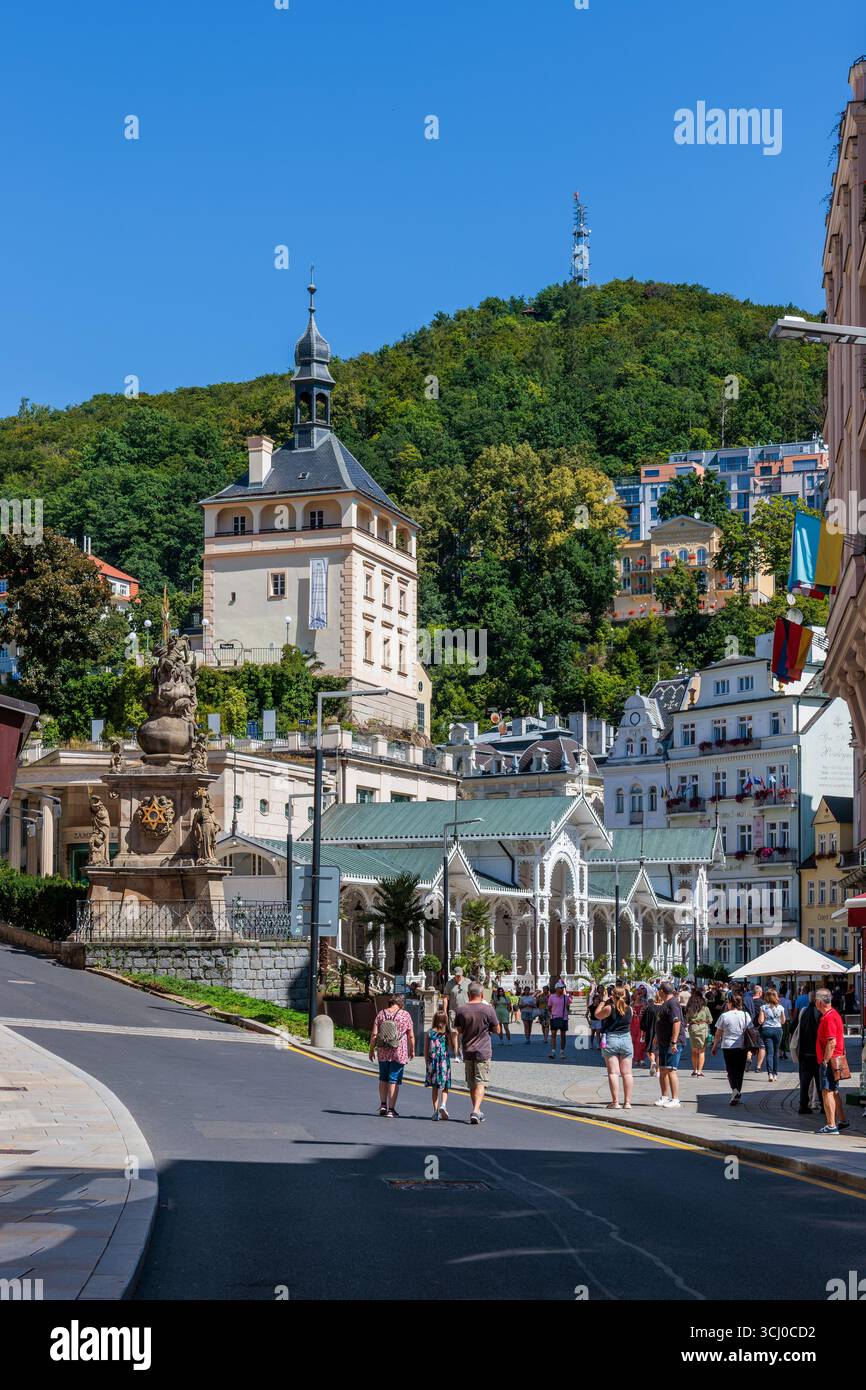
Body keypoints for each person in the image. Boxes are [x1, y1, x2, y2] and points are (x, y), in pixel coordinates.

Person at [454, 981, 501, 1124]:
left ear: (468, 994)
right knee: (481, 1082)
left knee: (471, 1083)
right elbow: (497, 1029)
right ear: (482, 994)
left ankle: (477, 1110)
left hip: (468, 1050)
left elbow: (459, 1030)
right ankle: (475, 1110)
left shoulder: (461, 1010)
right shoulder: (488, 1009)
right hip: (483, 1050)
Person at [369, 993, 415, 1118]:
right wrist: (412, 1050)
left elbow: (374, 1035)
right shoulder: (405, 1015)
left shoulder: (381, 1014)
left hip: (383, 1051)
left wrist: (371, 1050)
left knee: (383, 1078)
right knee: (393, 1080)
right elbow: (411, 1035)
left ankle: (383, 1105)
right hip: (399, 1052)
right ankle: (391, 1110)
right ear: (401, 1003)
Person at [593, 985, 634, 1108]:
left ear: (612, 996)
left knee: (613, 1073)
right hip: (626, 1039)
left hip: (612, 1039)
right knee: (627, 1074)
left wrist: (603, 1001)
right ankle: (627, 1103)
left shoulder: (609, 1008)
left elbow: (597, 1015)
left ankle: (615, 1102)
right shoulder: (630, 1009)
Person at [815, 987, 848, 1135]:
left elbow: (832, 1041)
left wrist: (825, 1060)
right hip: (836, 1058)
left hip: (831, 1059)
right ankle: (842, 1120)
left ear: (819, 1002)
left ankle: (831, 1125)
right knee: (834, 1090)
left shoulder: (828, 1017)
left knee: (826, 1091)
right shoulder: (834, 1014)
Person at [711, 992, 750, 1106]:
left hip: (728, 1046)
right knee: (740, 1071)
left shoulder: (724, 1016)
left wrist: (714, 1046)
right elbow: (750, 1029)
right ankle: (737, 1092)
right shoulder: (745, 1015)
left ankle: (735, 1091)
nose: (727, 1004)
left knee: (731, 1070)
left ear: (731, 1003)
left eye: (728, 1002)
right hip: (742, 1045)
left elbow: (718, 1033)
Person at [654, 982, 684, 1108]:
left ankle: (675, 1099)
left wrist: (674, 1041)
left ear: (662, 991)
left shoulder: (673, 1003)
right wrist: (656, 1037)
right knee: (663, 1069)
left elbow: (676, 1022)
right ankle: (664, 1096)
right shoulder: (665, 1004)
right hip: (663, 1042)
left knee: (671, 1069)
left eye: (659, 990)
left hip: (672, 1043)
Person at [795, 990, 822, 1115]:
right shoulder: (819, 1013)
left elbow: (795, 1026)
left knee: (804, 1082)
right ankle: (823, 1105)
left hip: (804, 1052)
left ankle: (803, 1105)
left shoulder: (804, 1011)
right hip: (816, 1053)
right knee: (820, 1081)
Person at [424, 1009, 452, 1120]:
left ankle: (435, 1112)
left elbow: (426, 1050)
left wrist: (427, 1062)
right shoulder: (446, 1033)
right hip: (444, 1062)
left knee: (434, 1087)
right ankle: (443, 1105)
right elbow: (451, 1047)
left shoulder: (429, 1033)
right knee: (445, 1085)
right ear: (445, 1021)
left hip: (432, 1062)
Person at [759, 987, 785, 1081]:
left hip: (767, 1030)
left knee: (769, 1053)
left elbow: (761, 1021)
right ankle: (775, 1074)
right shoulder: (781, 1007)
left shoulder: (763, 1007)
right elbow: (783, 1021)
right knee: (776, 1052)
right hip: (777, 1030)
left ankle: (770, 1074)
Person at [685, 988, 712, 1076]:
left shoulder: (689, 1009)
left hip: (693, 1028)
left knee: (694, 1051)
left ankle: (695, 1070)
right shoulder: (705, 1008)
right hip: (703, 1028)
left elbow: (687, 1020)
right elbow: (710, 1020)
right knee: (701, 1051)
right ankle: (700, 1071)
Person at [444, 966, 470, 1058]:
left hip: (466, 1012)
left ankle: (461, 1050)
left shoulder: (468, 982)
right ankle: (456, 1054)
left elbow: (472, 996)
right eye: (456, 975)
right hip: (453, 1011)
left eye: (459, 975)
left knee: (463, 1033)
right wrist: (444, 1011)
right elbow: (445, 998)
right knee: (454, 1032)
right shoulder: (449, 983)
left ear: (462, 974)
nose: (458, 977)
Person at [547, 980, 571, 1059]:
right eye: (560, 988)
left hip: (564, 1018)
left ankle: (562, 1051)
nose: (562, 989)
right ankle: (553, 1051)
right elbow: (549, 1007)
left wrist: (566, 1014)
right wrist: (551, 1015)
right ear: (556, 988)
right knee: (553, 1035)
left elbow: (568, 1007)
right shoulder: (551, 997)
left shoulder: (566, 997)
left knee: (563, 1036)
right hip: (554, 1017)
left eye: (562, 988)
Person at [641, 988, 661, 1076]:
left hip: (651, 1031)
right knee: (659, 1053)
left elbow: (643, 1022)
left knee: (650, 1050)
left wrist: (643, 1031)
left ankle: (652, 1061)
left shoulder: (649, 1008)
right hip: (662, 1033)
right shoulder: (664, 1008)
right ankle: (658, 1071)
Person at [630, 985, 647, 1066]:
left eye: (640, 994)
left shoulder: (644, 1003)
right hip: (633, 1025)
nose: (639, 995)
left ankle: (641, 1059)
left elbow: (647, 1014)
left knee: (641, 1042)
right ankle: (636, 1058)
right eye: (637, 994)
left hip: (642, 1025)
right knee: (633, 1042)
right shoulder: (631, 1004)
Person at [750, 985, 766, 1073]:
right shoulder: (763, 1003)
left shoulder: (748, 1002)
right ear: (760, 993)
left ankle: (748, 1058)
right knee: (762, 1047)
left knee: (749, 1045)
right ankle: (758, 1066)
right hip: (760, 1027)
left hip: (749, 1027)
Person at [587, 984, 605, 1049]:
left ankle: (598, 1045)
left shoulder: (600, 1006)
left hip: (598, 1021)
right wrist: (589, 1021)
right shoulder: (590, 1007)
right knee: (592, 1033)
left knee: (598, 1033)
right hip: (592, 1021)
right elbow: (586, 1015)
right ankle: (591, 1043)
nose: (596, 1000)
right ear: (593, 1000)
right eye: (595, 999)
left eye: (598, 999)